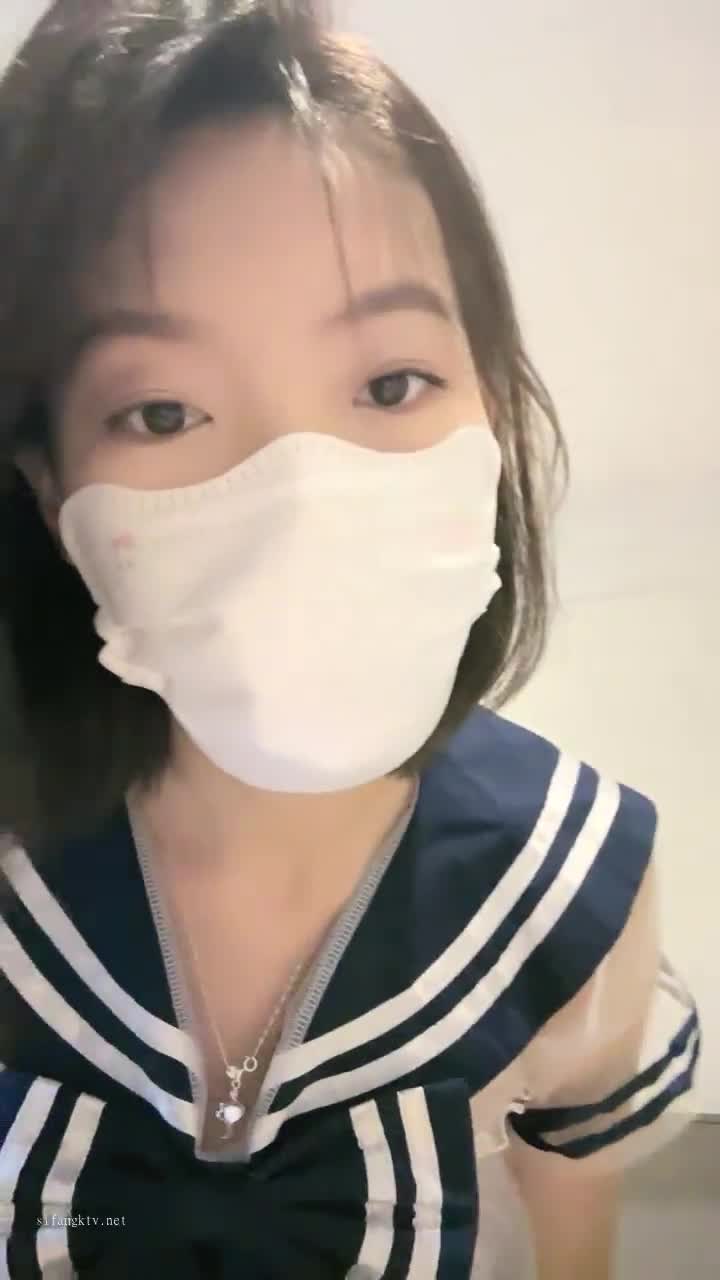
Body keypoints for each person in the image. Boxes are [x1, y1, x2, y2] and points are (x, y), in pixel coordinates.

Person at [0, 2, 699, 1277]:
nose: (301, 502)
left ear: (494, 411)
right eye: (163, 411)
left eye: (390, 385)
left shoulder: (568, 884)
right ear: (52, 493)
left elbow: (573, 1223)